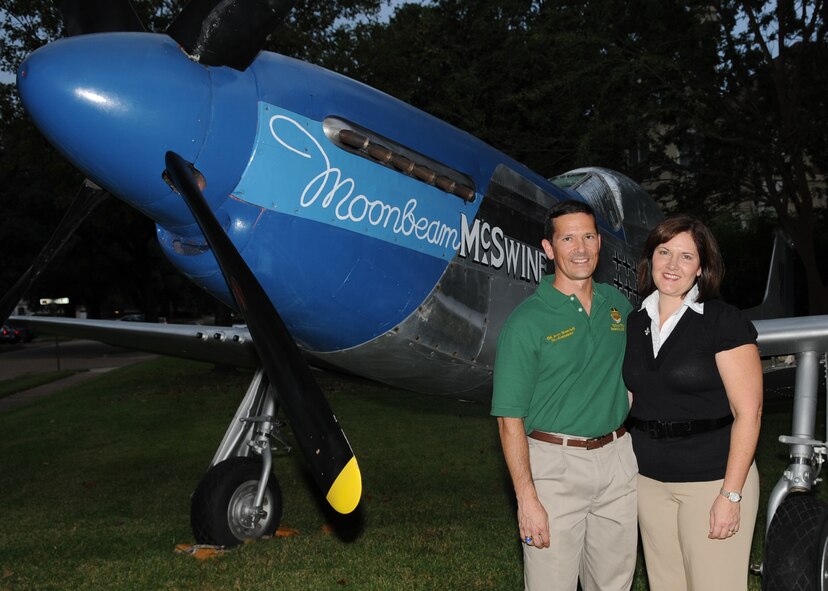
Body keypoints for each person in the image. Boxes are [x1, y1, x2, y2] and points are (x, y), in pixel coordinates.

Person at [491, 199, 638, 591]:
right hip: (553, 468)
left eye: (588, 236)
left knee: (614, 583)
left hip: (617, 462)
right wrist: (527, 497)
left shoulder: (619, 307)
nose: (580, 248)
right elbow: (509, 420)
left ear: (599, 243)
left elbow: (641, 369)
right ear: (548, 248)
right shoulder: (527, 322)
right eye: (568, 238)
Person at [623, 215, 762, 591]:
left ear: (701, 268)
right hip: (649, 483)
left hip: (712, 481)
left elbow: (749, 412)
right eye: (664, 252)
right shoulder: (634, 322)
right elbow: (631, 397)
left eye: (686, 257)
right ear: (649, 258)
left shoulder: (722, 321)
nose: (672, 265)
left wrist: (730, 495)